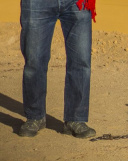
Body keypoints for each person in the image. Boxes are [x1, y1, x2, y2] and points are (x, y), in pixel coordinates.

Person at [19, 0, 97, 138]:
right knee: (34, 61)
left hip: (77, 2)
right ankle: (35, 116)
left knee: (81, 61)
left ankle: (75, 119)